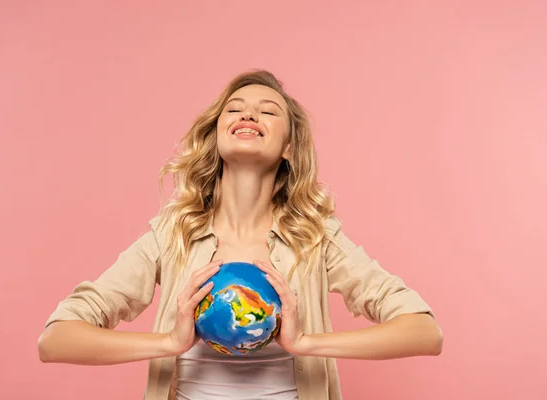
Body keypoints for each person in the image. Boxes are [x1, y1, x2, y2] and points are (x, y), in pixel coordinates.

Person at [37, 70, 443, 400]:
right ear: (216, 135)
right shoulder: (171, 236)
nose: (249, 115)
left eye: (268, 112)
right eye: (235, 108)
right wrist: (169, 342)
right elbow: (56, 341)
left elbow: (425, 332)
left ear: (288, 147)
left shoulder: (317, 240)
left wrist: (304, 342)